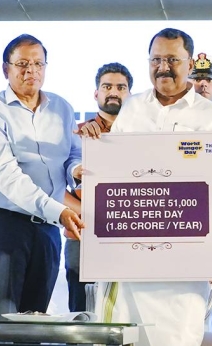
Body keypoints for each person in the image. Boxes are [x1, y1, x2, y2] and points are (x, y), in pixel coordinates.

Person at [93, 28, 212, 346]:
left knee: (178, 337)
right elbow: (113, 171)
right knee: (127, 337)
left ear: (190, 63)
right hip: (130, 253)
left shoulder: (210, 116)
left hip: (185, 261)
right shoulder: (132, 108)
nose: (163, 67)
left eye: (172, 60)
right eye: (156, 60)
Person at [0, 34, 84, 318]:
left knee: (36, 319)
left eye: (38, 64)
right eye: (22, 64)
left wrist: (76, 170)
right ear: (6, 69)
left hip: (48, 230)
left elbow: (73, 154)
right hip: (6, 226)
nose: (31, 71)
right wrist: (58, 211)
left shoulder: (62, 108)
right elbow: (6, 174)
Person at [66, 61, 133, 312]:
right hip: (82, 236)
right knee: (83, 314)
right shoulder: (77, 133)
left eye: (121, 87)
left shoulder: (142, 135)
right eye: (107, 86)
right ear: (96, 93)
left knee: (125, 314)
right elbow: (54, 184)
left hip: (129, 237)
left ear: (130, 95)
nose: (113, 92)